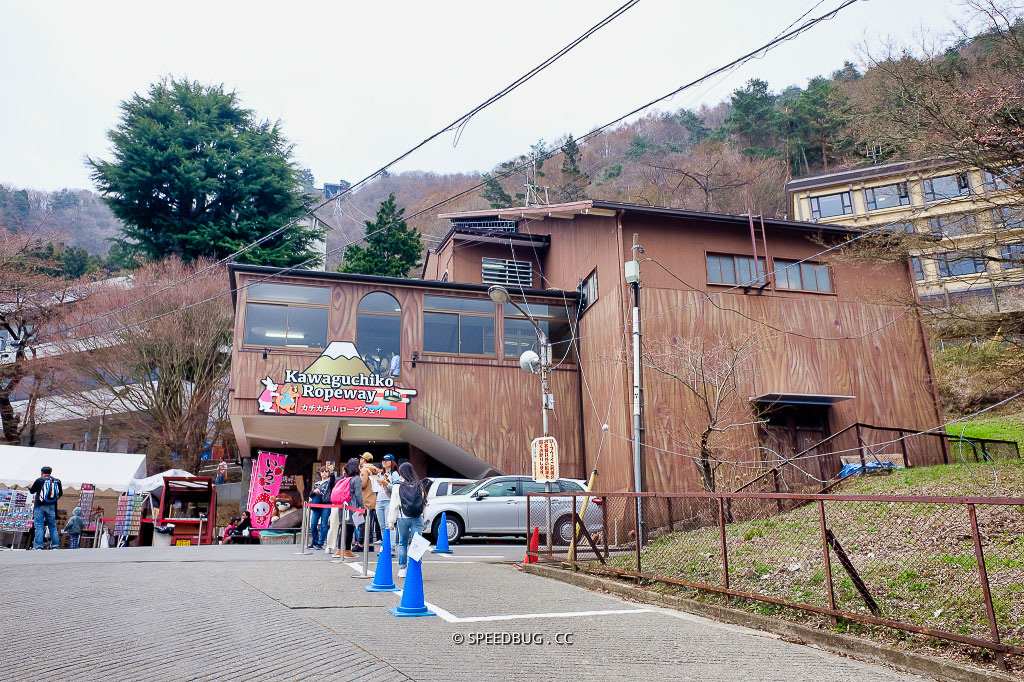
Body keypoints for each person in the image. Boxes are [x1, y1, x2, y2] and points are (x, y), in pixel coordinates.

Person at [387, 462, 428, 578]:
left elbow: (393, 505)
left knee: (403, 543)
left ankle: (402, 569)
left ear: (401, 472)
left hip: (402, 518)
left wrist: (391, 521)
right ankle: (415, 568)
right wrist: (425, 520)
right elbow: (424, 504)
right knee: (417, 543)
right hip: (417, 517)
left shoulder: (397, 486)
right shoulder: (419, 485)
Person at [332, 458, 365, 559]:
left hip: (342, 506)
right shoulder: (356, 479)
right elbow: (358, 495)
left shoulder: (343, 478)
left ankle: (339, 550)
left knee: (342, 527)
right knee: (349, 528)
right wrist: (362, 507)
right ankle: (347, 550)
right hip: (351, 506)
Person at [29, 466, 63, 550]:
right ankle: (55, 545)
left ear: (42, 472)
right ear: (50, 472)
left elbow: (32, 491)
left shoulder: (39, 480)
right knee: (52, 526)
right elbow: (60, 494)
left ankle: (38, 546)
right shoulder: (57, 481)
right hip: (51, 506)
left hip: (39, 506)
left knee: (39, 526)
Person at [374, 454, 400, 554]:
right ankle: (385, 547)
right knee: (382, 527)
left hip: (389, 501)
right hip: (379, 501)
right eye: (383, 460)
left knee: (390, 525)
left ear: (391, 462)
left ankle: (391, 548)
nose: (384, 462)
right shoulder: (380, 474)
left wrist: (386, 483)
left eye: (387, 460)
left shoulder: (394, 474)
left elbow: (397, 488)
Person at [306, 465, 335, 550]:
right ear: (320, 473)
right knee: (313, 524)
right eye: (322, 471)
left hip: (326, 504)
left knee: (324, 524)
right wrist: (314, 492)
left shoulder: (329, 482)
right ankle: (315, 541)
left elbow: (332, 479)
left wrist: (332, 472)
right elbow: (310, 495)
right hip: (317, 504)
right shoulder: (317, 483)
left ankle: (320, 543)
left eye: (326, 471)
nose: (324, 473)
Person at [359, 453, 380, 551]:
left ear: (364, 460)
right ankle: (370, 543)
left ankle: (361, 544)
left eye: (361, 458)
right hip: (372, 499)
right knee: (369, 523)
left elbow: (362, 484)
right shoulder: (374, 470)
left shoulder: (364, 469)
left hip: (365, 499)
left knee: (363, 523)